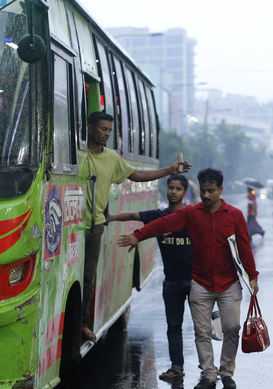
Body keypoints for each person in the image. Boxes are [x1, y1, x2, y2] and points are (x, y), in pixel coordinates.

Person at [117, 168, 259, 389]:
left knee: (231, 328)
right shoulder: (191, 213)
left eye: (211, 191)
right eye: (203, 191)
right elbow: (163, 224)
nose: (206, 195)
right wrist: (138, 235)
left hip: (228, 283)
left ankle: (226, 373)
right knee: (201, 331)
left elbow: (244, 246)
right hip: (200, 283)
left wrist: (253, 276)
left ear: (220, 190)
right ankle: (209, 375)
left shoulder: (234, 215)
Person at [81, 111, 191, 343]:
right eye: (103, 129)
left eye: (109, 130)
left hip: (95, 226)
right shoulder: (77, 154)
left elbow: (138, 174)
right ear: (89, 128)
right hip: (70, 224)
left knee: (87, 277)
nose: (107, 134)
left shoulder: (111, 159)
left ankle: (81, 324)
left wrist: (169, 171)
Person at [107, 174, 193, 382]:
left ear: (184, 192)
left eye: (178, 189)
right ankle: (176, 366)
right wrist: (110, 218)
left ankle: (209, 369)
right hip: (171, 282)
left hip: (195, 281)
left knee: (202, 327)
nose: (173, 192)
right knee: (174, 326)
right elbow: (133, 215)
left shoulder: (192, 216)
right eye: (170, 188)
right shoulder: (158, 215)